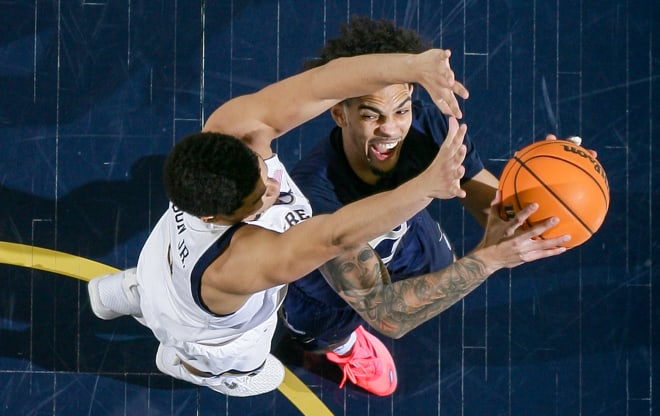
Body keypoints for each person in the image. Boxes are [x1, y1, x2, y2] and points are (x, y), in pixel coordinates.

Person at [85, 48, 489, 398]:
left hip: (166, 261)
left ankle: (130, 292)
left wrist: (412, 66)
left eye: (260, 173)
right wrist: (426, 187)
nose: (271, 189)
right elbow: (336, 233)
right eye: (256, 199)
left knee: (161, 280)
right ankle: (192, 366)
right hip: (210, 335)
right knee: (261, 374)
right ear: (215, 218)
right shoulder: (242, 261)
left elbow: (322, 83)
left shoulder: (231, 130)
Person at [280, 16, 569, 396]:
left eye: (401, 110)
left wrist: (550, 183)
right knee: (330, 332)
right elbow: (385, 314)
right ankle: (345, 349)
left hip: (406, 240)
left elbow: (496, 210)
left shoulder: (427, 125)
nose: (391, 130)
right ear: (340, 113)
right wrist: (489, 259)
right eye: (372, 115)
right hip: (329, 290)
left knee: (439, 271)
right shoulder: (316, 200)